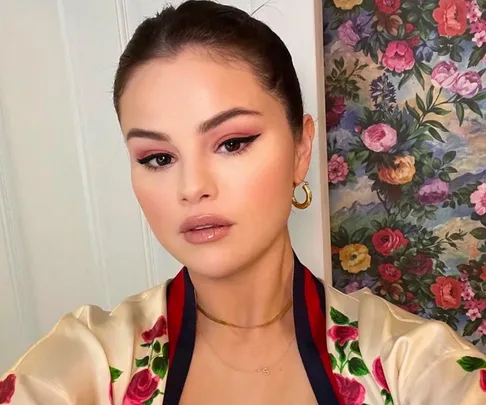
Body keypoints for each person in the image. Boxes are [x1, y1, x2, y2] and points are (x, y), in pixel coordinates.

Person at [1, 1, 485, 404]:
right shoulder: (90, 361)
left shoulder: (407, 362)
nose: (192, 187)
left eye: (232, 143)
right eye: (157, 157)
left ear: (301, 149)